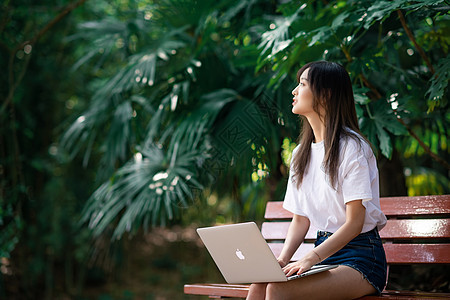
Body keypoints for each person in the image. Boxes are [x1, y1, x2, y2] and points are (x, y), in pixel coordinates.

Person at [246, 61, 387, 300]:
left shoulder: (353, 148)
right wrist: (282, 259)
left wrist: (311, 257)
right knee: (261, 284)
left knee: (278, 290)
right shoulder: (301, 152)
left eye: (302, 84)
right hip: (325, 254)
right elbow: (300, 219)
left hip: (361, 258)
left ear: (325, 94)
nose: (294, 91)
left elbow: (355, 223)